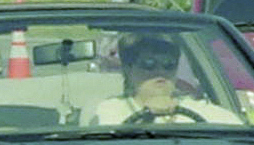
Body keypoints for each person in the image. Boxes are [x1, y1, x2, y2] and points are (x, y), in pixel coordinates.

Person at [90, 32, 242, 125]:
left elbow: (237, 134)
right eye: (149, 64)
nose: (160, 71)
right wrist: (147, 115)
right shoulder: (111, 109)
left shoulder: (200, 109)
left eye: (169, 65)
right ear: (128, 69)